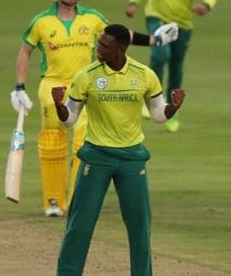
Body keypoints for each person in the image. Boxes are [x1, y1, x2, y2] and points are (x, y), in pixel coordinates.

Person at [11, 0, 178, 217]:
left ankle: (76, 198)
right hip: (53, 84)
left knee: (83, 142)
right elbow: (25, 51)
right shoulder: (41, 22)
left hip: (87, 83)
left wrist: (154, 40)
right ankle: (53, 201)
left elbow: (122, 36)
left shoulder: (93, 18)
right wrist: (19, 87)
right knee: (53, 141)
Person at [51, 23, 185, 276]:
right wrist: (59, 104)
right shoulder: (86, 76)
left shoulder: (144, 74)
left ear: (121, 49)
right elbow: (68, 120)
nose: (98, 48)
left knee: (139, 228)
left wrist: (174, 107)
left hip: (131, 159)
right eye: (99, 43)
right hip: (96, 157)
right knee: (79, 226)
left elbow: (157, 114)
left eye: (104, 46)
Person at [125, 0, 217, 133]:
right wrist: (134, 2)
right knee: (159, 54)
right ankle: (150, 101)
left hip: (182, 23)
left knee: (176, 68)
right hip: (156, 17)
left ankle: (173, 111)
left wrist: (207, 4)